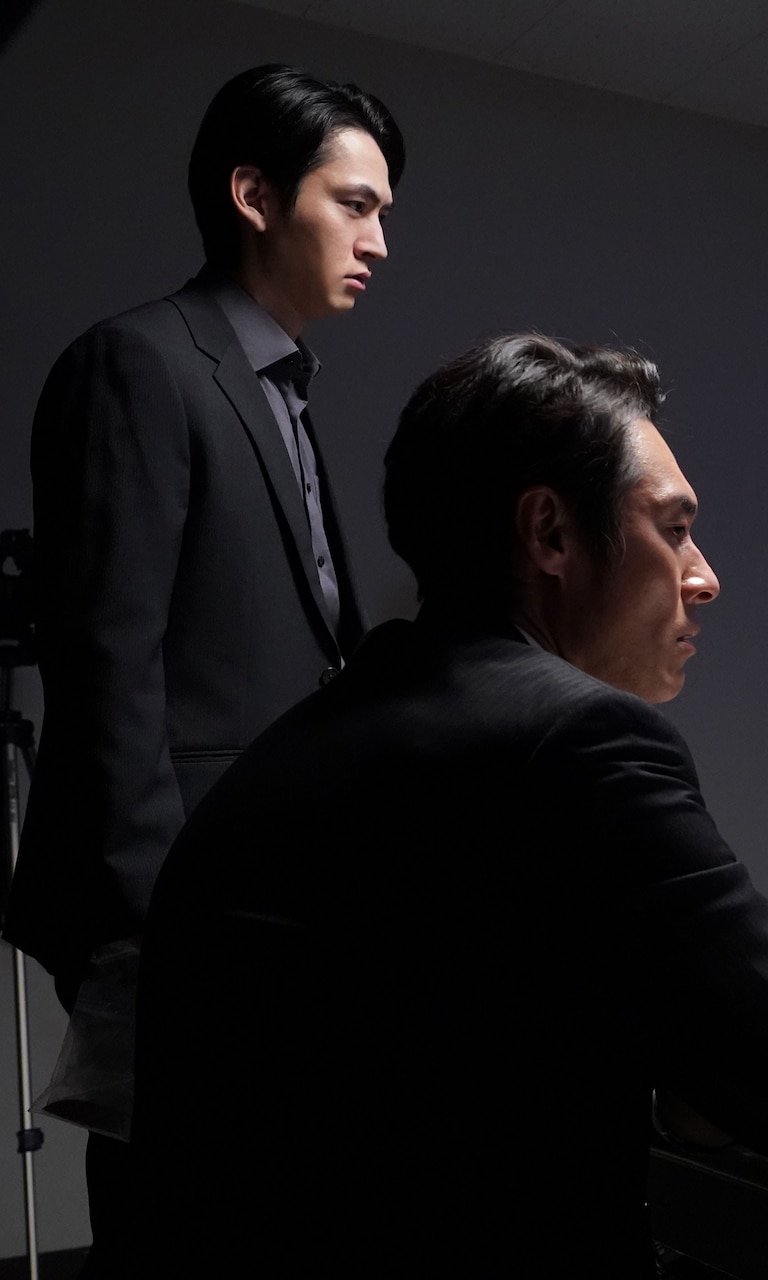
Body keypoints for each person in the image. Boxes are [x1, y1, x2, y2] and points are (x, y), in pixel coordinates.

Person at [132, 334, 768, 1276]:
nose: (705, 575)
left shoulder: (310, 740)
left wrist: (696, 1074)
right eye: (674, 529)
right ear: (550, 533)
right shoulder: (580, 743)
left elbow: (445, 1072)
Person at [5, 64, 402, 1274]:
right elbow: (107, 660)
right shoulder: (140, 363)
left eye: (384, 212)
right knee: (178, 1223)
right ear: (253, 195)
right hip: (177, 914)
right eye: (355, 204)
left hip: (275, 907)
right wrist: (155, 928)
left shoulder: (282, 393)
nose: (380, 242)